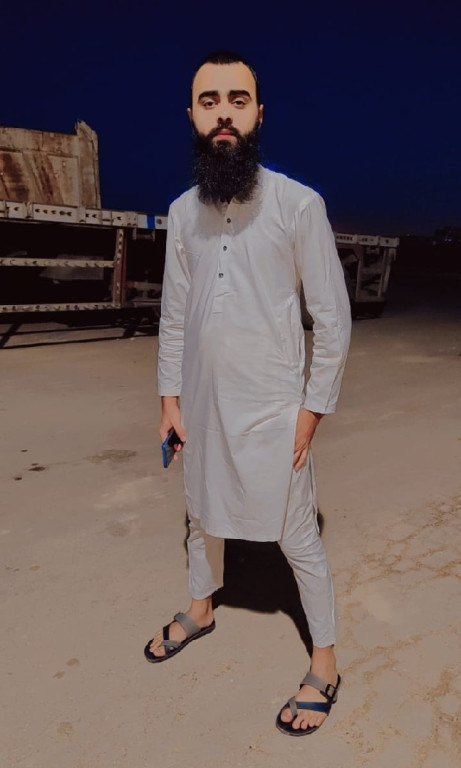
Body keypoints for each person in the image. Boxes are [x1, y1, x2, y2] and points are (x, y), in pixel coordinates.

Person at [145, 50, 352, 736]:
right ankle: (201, 610)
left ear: (259, 114)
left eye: (238, 100)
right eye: (210, 102)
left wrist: (311, 410)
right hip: (201, 405)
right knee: (200, 515)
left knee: (298, 538)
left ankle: (324, 663)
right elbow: (175, 315)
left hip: (273, 411)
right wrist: (169, 400)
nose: (224, 113)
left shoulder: (297, 205)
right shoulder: (182, 213)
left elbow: (331, 317)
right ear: (193, 117)